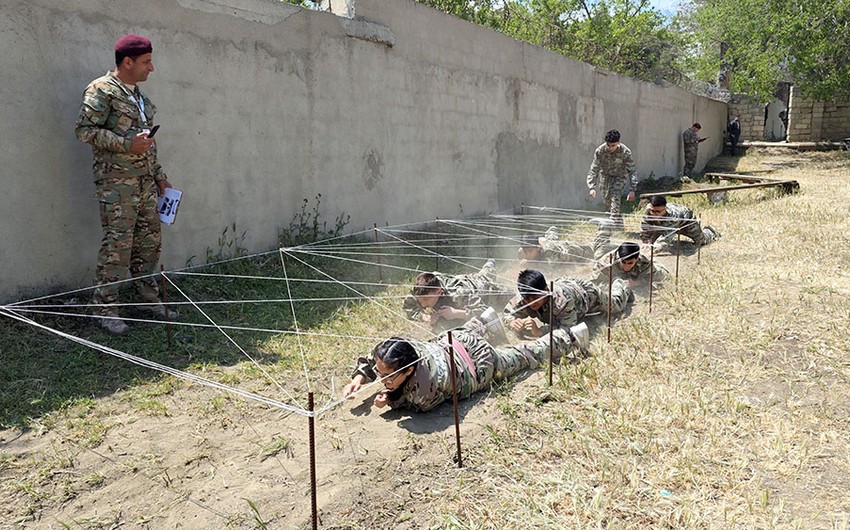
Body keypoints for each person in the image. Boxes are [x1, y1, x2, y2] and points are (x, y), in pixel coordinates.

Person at [75, 34, 175, 335]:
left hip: (144, 184)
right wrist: (124, 144)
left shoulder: (140, 98)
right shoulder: (102, 90)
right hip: (117, 185)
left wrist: (159, 174)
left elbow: (147, 143)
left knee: (148, 245)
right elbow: (84, 130)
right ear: (127, 62)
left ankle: (147, 300)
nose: (151, 68)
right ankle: (104, 308)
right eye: (146, 62)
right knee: (118, 247)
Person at [341, 316, 589, 412]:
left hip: (479, 364)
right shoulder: (402, 348)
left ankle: (570, 336)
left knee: (525, 355)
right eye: (381, 373)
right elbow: (378, 362)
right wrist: (359, 379)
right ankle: (485, 320)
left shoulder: (424, 389)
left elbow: (413, 402)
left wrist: (391, 400)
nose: (383, 378)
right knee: (454, 335)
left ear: (408, 370)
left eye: (388, 376)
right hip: (458, 338)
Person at [502, 269, 632, 339]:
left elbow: (568, 329)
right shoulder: (524, 296)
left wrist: (540, 331)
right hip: (564, 284)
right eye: (527, 299)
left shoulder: (562, 302)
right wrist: (512, 322)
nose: (531, 303)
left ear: (546, 290)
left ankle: (621, 284)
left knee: (616, 305)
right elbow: (507, 313)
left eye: (535, 298)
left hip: (586, 294)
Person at [402, 259, 500, 326]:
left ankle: (491, 262)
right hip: (461, 280)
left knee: (487, 275)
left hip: (477, 285)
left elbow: (484, 311)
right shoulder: (421, 289)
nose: (422, 304)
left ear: (438, 292)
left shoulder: (458, 294)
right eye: (421, 300)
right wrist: (424, 317)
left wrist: (457, 313)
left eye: (426, 300)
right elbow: (408, 306)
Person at [586, 129, 637, 231]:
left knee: (615, 195)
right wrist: (592, 187)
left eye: (613, 145)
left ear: (618, 142)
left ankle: (612, 225)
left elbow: (632, 171)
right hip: (605, 176)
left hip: (620, 176)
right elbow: (594, 168)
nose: (610, 148)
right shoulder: (600, 151)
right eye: (608, 145)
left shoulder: (625, 152)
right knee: (607, 201)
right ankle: (619, 223)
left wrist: (632, 189)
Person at [639, 196, 720, 250]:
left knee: (701, 241)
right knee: (651, 243)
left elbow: (666, 237)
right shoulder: (648, 210)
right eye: (653, 211)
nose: (654, 214)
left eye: (658, 211)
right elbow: (645, 226)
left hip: (686, 222)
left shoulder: (674, 216)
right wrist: (645, 241)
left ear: (665, 209)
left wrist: (653, 251)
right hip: (663, 224)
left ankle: (710, 231)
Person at [518, 226, 612, 267]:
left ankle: (605, 230)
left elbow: (546, 269)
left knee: (596, 249)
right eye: (525, 251)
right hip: (554, 244)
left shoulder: (549, 251)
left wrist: (530, 264)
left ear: (538, 248)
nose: (526, 255)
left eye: (530, 252)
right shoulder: (524, 249)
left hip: (572, 251)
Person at [593, 241, 668, 288]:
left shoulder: (643, 261)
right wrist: (616, 285)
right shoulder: (605, 264)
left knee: (665, 275)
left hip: (651, 265)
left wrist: (637, 283)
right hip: (603, 255)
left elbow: (654, 279)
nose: (626, 266)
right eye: (623, 262)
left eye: (630, 263)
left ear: (637, 259)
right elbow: (595, 283)